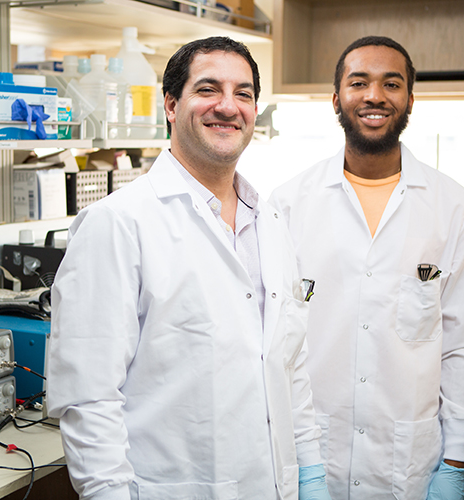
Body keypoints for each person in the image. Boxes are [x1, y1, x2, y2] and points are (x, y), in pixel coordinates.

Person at [47, 37, 331, 500]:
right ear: (171, 106)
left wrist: (311, 469)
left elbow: (288, 365)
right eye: (208, 89)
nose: (227, 106)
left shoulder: (273, 222)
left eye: (243, 93)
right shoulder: (118, 224)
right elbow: (89, 397)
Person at [270, 36, 464, 500]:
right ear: (336, 99)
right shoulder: (287, 206)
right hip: (309, 458)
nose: (375, 96)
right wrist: (301, 467)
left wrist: (454, 462)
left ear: (410, 99)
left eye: (392, 83)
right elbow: (275, 343)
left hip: (408, 464)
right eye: (359, 82)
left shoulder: (453, 208)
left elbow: (463, 344)